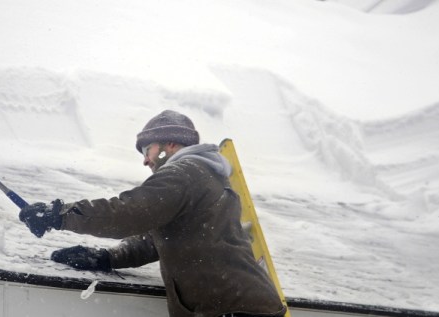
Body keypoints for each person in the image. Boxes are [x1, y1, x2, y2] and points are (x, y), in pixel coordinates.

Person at [19, 110, 286, 317]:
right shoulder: (205, 178)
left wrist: (60, 214)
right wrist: (106, 257)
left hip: (232, 308)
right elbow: (154, 242)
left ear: (171, 143)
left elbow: (127, 213)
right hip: (241, 305)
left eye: (148, 150)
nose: (146, 160)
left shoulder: (184, 173)